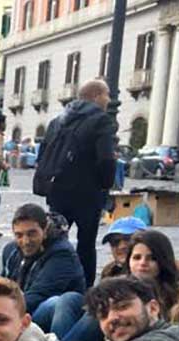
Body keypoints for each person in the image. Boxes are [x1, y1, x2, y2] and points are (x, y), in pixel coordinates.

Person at [61, 227, 179, 341]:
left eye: (151, 258)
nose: (142, 263)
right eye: (136, 257)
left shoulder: (176, 295)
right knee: (71, 309)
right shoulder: (116, 282)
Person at [35, 79, 118, 286]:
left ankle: (48, 281)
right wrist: (106, 186)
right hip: (87, 193)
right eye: (107, 95)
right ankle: (84, 288)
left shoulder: (58, 120)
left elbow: (43, 154)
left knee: (53, 239)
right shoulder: (101, 120)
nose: (109, 100)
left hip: (57, 190)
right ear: (96, 96)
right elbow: (106, 159)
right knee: (86, 245)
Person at [0, 204, 85, 333]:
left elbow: (40, 294)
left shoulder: (62, 253)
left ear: (45, 231)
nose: (26, 241)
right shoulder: (10, 250)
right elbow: (3, 286)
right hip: (18, 310)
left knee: (56, 303)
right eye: (19, 235)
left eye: (32, 233)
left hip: (46, 312)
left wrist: (1, 312)